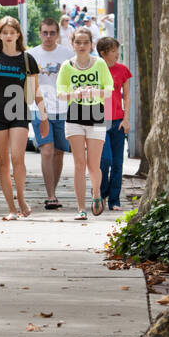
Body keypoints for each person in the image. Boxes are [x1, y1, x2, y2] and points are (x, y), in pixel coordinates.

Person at [0, 16, 46, 220]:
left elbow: (36, 89)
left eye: (11, 32)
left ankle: (21, 199)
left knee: (17, 158)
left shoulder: (27, 59)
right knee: (3, 162)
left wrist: (44, 115)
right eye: (4, 32)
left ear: (18, 34)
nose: (8, 36)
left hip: (19, 113)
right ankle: (11, 208)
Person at [56, 26, 115, 220]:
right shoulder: (66, 66)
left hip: (96, 114)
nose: (82, 46)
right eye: (78, 42)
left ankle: (96, 193)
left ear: (91, 45)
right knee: (79, 164)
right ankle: (81, 208)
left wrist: (94, 92)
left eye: (85, 42)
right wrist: (76, 94)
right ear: (72, 44)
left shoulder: (99, 64)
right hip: (75, 115)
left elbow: (109, 90)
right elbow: (60, 94)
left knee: (93, 165)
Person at [30, 18, 72, 210]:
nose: (48, 36)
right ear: (39, 33)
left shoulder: (67, 55)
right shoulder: (31, 55)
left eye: (52, 33)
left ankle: (52, 192)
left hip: (63, 109)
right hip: (40, 108)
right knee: (46, 150)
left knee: (58, 152)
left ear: (57, 34)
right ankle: (51, 195)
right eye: (45, 32)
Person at [97, 36, 131, 211]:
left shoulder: (123, 70)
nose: (117, 53)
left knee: (118, 163)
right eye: (113, 51)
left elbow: (126, 96)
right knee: (105, 161)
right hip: (100, 122)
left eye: (117, 50)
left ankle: (114, 200)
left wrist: (126, 119)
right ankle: (102, 194)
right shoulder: (95, 69)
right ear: (103, 54)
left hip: (118, 122)